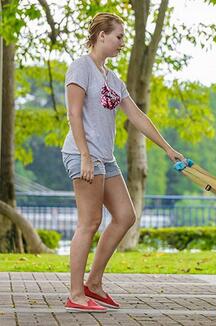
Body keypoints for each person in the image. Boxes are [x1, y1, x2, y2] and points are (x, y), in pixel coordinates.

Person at [61, 12, 185, 312]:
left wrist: (167, 149)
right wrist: (86, 156)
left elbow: (138, 116)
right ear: (101, 35)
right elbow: (73, 114)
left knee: (125, 216)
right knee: (89, 222)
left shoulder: (112, 78)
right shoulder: (81, 67)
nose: (121, 43)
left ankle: (94, 283)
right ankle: (76, 294)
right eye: (118, 36)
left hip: (105, 157)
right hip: (82, 154)